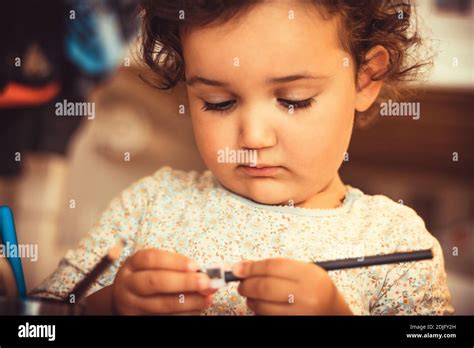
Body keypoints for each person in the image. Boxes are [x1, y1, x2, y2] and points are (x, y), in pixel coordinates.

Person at [32, 0, 454, 315]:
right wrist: (109, 306)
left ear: (367, 78)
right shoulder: (150, 204)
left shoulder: (396, 242)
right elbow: (38, 321)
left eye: (294, 100)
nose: (252, 136)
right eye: (218, 102)